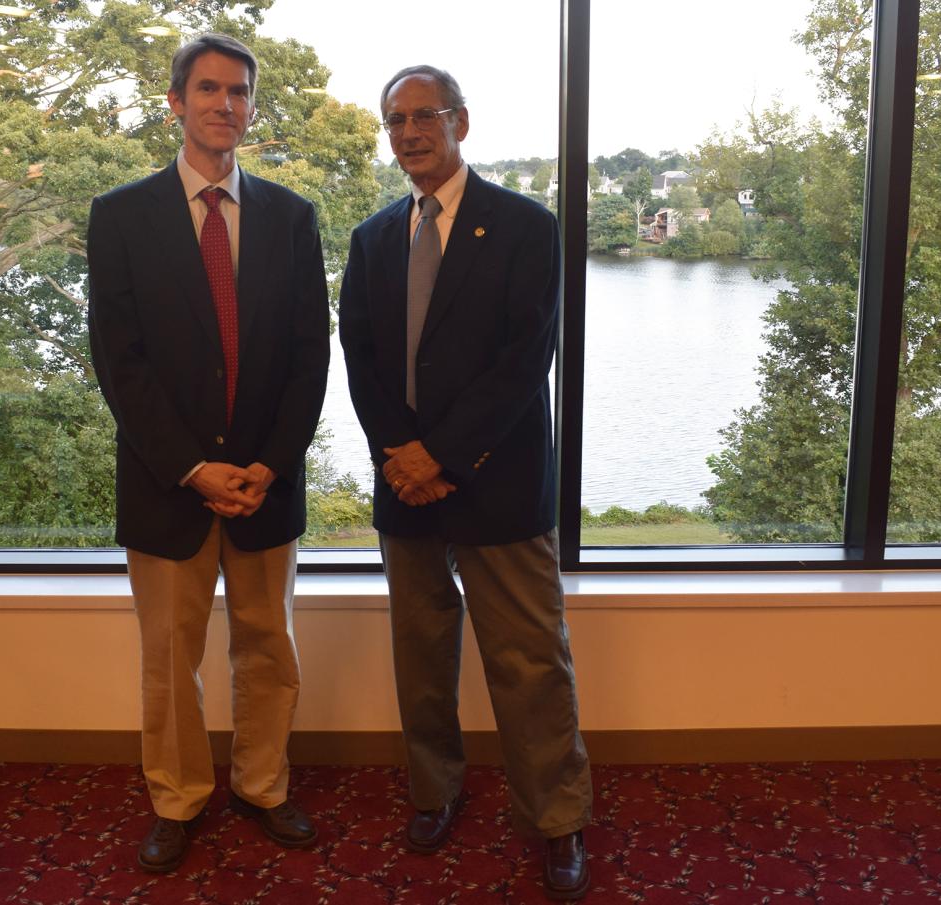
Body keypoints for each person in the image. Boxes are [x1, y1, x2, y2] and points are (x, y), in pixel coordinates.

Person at [339, 64, 593, 900]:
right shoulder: (375, 237)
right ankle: (435, 791)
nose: (410, 132)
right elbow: (363, 359)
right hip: (403, 484)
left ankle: (555, 818)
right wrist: (401, 454)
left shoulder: (524, 225)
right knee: (421, 653)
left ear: (461, 122)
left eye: (425, 116)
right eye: (396, 120)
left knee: (529, 661)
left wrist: (440, 456)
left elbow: (526, 358)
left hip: (497, 480)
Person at [87, 33, 330, 874]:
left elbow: (310, 354)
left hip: (266, 483)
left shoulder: (293, 219)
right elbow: (121, 364)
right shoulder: (120, 216)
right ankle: (178, 797)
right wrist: (192, 466)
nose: (225, 105)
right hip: (167, 486)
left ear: (253, 108)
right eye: (209, 90)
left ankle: (263, 786)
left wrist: (269, 461)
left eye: (239, 93)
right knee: (170, 663)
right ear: (175, 102)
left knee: (270, 650)